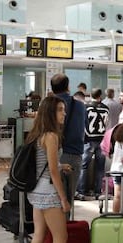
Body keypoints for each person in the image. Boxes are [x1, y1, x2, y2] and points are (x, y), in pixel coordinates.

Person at [27, 96, 87, 243]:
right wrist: (63, 198)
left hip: (36, 191)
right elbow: (52, 171)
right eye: (60, 110)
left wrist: (62, 166)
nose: (64, 113)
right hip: (49, 192)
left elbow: (46, 164)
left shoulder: (37, 134)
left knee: (38, 235)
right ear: (51, 113)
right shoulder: (51, 136)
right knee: (61, 239)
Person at [51, 74, 86, 203]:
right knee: (68, 198)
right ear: (68, 87)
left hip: (52, 153)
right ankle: (66, 223)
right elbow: (84, 128)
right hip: (74, 153)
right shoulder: (81, 106)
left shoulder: (49, 105)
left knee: (53, 197)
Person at [76, 88, 109, 201]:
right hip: (101, 139)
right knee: (100, 167)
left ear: (91, 95)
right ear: (100, 96)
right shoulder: (106, 108)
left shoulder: (86, 107)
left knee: (84, 166)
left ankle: (81, 190)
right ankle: (97, 191)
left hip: (89, 140)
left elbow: (82, 124)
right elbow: (106, 123)